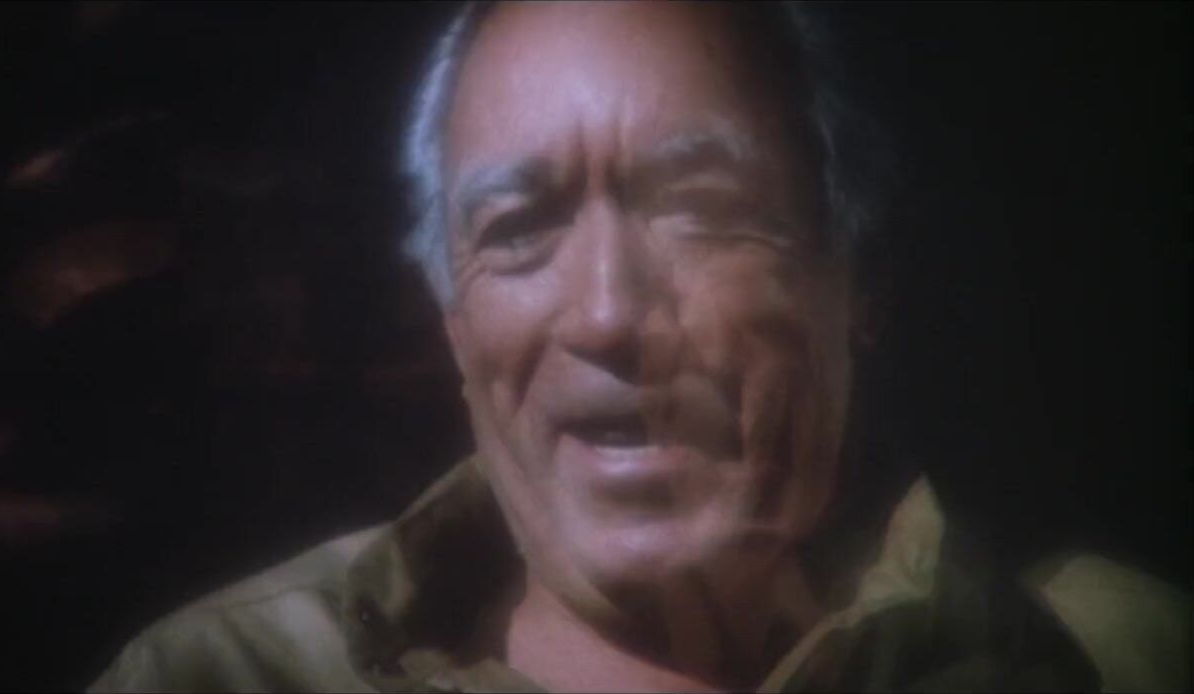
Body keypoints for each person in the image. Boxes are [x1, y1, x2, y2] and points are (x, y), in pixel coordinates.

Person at [89, 3, 1189, 692]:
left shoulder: (1120, 659)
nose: (608, 315)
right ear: (455, 327)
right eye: (518, 231)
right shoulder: (214, 679)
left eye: (704, 212)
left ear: (858, 279)